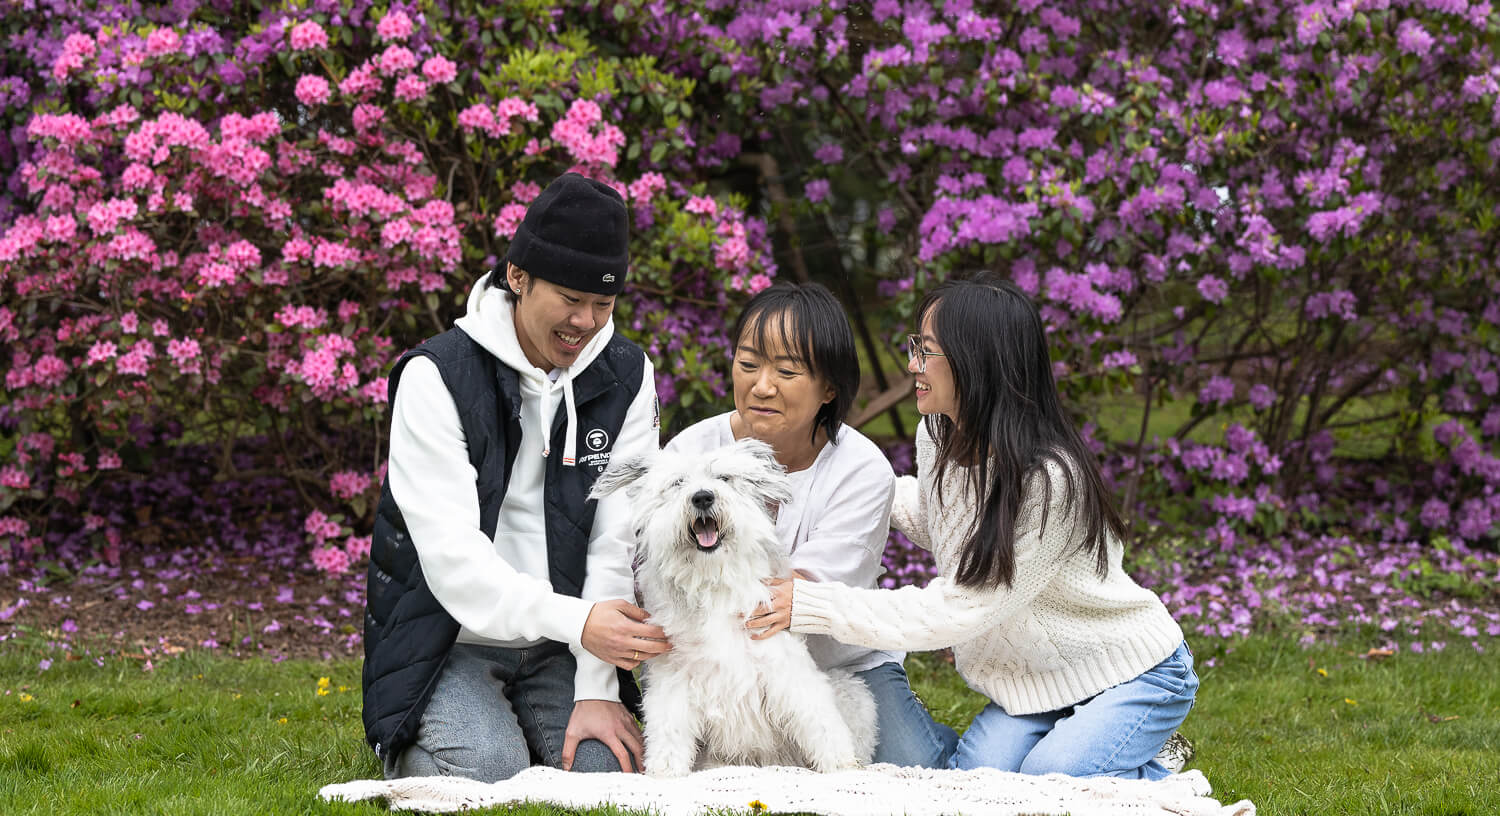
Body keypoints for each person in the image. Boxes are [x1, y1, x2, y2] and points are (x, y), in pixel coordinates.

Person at [749, 273, 1197, 779]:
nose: (912, 365)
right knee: (974, 778)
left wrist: (812, 603)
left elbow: (961, 607)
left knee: (1049, 779)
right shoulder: (938, 436)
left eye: (927, 351)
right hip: (1033, 685)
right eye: (915, 346)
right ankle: (1081, 737)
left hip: (1128, 673)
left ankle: (1155, 755)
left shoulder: (1051, 481)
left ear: (977, 360)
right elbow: (940, 518)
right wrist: (846, 487)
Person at [363, 172, 670, 782]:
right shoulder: (435, 375)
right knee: (487, 766)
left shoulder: (628, 374)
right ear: (518, 277)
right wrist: (578, 621)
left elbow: (616, 538)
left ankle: (533, 721)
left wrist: (597, 685)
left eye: (602, 305)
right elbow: (454, 564)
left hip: (561, 642)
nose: (584, 322)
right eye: (569, 299)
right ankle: (419, 739)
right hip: (446, 635)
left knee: (605, 773)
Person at [668, 281, 958, 768]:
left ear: (829, 387)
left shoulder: (861, 470)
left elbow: (787, 600)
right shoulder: (690, 454)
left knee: (915, 767)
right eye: (747, 364)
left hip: (841, 664)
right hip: (713, 666)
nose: (761, 385)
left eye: (786, 370)